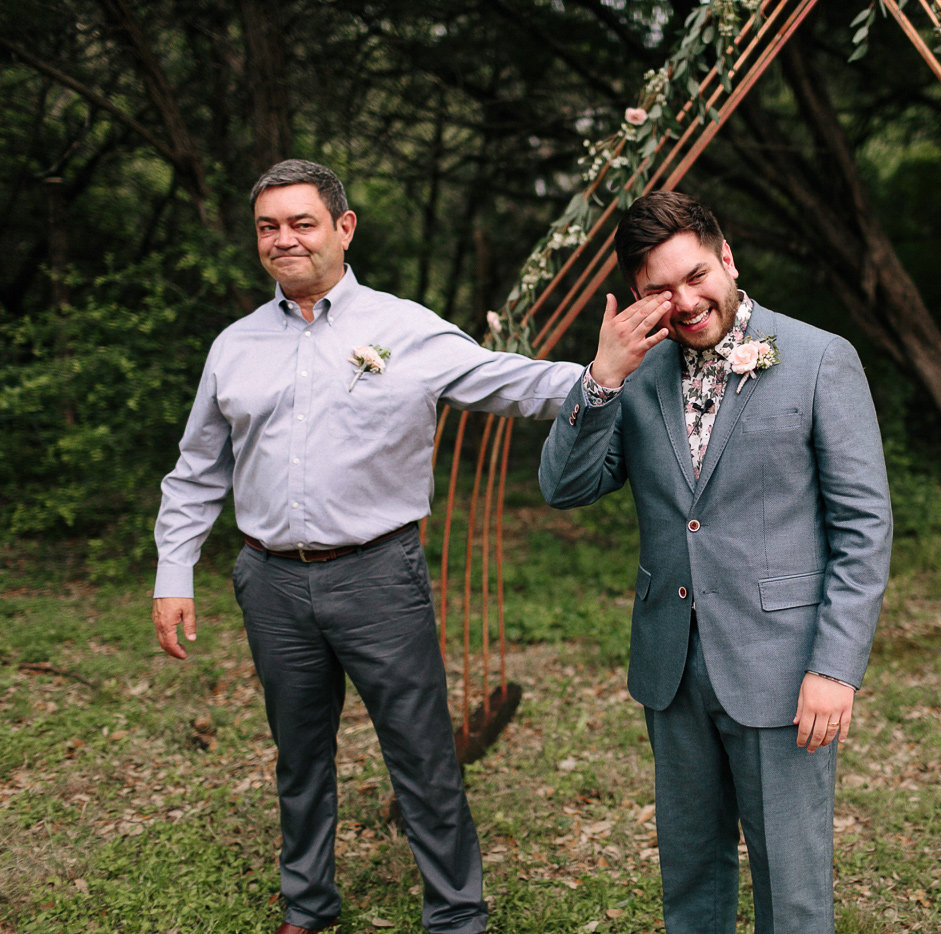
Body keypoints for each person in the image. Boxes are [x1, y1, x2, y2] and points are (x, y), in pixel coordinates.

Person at [152, 159, 582, 934]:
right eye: (268, 227)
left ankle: (456, 914)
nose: (284, 240)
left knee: (421, 756)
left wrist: (602, 377)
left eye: (302, 223)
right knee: (299, 758)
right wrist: (173, 570)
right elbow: (196, 469)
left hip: (378, 575)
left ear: (344, 228)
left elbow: (505, 382)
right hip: (271, 582)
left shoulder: (402, 328)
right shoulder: (235, 346)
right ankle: (308, 907)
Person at [539, 191, 892, 934]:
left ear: (727, 259)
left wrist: (835, 668)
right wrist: (601, 376)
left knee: (791, 884)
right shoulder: (633, 372)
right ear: (637, 298)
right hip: (671, 666)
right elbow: (565, 487)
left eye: (696, 276)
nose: (686, 301)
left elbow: (863, 526)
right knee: (692, 873)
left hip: (784, 667)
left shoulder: (821, 358)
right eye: (659, 291)